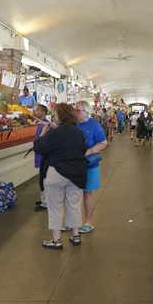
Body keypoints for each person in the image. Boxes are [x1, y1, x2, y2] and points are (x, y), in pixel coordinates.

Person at [34, 103, 87, 249]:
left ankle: (56, 240)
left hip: (56, 173)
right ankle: (76, 235)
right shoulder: (78, 132)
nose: (55, 116)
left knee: (55, 207)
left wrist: (43, 132)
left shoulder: (54, 133)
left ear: (61, 115)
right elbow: (83, 149)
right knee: (74, 205)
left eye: (56, 114)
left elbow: (39, 147)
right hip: (77, 174)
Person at [67, 100, 108, 234]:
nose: (76, 113)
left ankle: (87, 222)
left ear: (86, 112)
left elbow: (103, 143)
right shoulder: (73, 124)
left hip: (89, 164)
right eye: (75, 110)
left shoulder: (95, 125)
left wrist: (88, 152)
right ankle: (71, 221)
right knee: (71, 193)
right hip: (73, 163)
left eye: (78, 110)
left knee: (87, 192)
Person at [33, 104, 50, 211]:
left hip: (45, 157)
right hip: (40, 155)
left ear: (44, 112)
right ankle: (43, 199)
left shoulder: (46, 125)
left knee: (44, 179)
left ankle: (45, 202)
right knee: (41, 179)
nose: (35, 112)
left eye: (37, 110)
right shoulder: (40, 124)